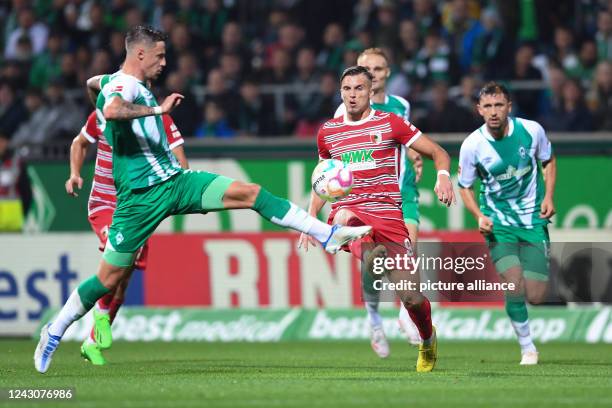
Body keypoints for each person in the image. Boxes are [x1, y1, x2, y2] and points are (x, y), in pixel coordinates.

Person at [34, 25, 371, 374]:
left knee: (251, 193)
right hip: (138, 200)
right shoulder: (126, 86)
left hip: (176, 183)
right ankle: (55, 331)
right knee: (107, 279)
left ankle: (326, 235)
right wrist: (156, 111)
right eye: (160, 55)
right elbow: (116, 109)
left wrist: (100, 93)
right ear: (140, 54)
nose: (164, 62)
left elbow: (95, 85)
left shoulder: (111, 81)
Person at [301, 65, 455, 372]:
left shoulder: (390, 123)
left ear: (371, 92)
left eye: (359, 88)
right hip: (352, 213)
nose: (353, 95)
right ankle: (358, 245)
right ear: (340, 92)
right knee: (345, 216)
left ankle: (427, 339)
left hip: (388, 216)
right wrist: (309, 219)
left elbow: (438, 152)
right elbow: (323, 180)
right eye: (347, 89)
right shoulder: (328, 132)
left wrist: (442, 176)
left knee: (411, 298)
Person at [65, 104, 188, 365]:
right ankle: (98, 315)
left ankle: (92, 343)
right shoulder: (101, 116)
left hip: (136, 206)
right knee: (118, 261)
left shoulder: (160, 120)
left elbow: (181, 161)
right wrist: (75, 173)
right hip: (104, 203)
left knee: (123, 281)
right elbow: (79, 143)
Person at [458, 82, 556, 365]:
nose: (493, 112)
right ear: (479, 109)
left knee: (536, 296)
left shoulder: (531, 130)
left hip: (532, 220)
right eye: (487, 106)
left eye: (498, 105)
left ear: (508, 107)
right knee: (513, 284)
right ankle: (528, 347)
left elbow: (548, 161)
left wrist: (548, 195)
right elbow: (465, 187)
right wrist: (478, 214)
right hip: (498, 223)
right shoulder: (472, 146)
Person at [334, 48, 422, 356]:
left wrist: (414, 155)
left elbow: (403, 139)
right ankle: (374, 318)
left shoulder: (401, 106)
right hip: (367, 199)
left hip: (403, 191)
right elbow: (335, 163)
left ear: (386, 74)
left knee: (407, 252)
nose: (372, 72)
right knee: (377, 261)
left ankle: (405, 313)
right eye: (365, 68)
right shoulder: (342, 113)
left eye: (378, 68)